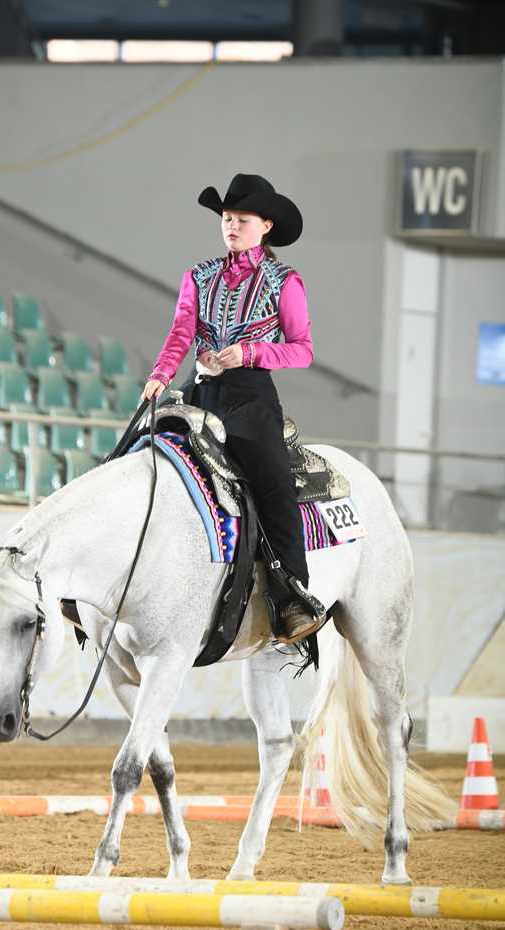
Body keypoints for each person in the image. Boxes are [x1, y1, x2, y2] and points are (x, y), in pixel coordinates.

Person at [141, 173, 326, 645]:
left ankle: (291, 593)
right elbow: (181, 332)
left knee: (273, 481)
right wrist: (161, 374)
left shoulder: (285, 282)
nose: (232, 226)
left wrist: (251, 353)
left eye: (242, 219)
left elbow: (302, 350)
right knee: (139, 450)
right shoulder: (198, 276)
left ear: (266, 226)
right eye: (226, 218)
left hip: (250, 397)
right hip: (200, 391)